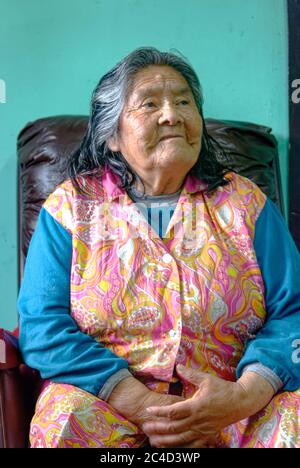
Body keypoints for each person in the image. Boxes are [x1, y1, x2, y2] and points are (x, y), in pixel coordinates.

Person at [18, 47, 300, 449]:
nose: (172, 115)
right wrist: (140, 402)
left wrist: (245, 395)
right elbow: (43, 326)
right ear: (112, 136)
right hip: (110, 404)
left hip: (233, 405)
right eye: (150, 103)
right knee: (63, 419)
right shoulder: (70, 209)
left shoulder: (245, 204)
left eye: (184, 101)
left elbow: (294, 313)